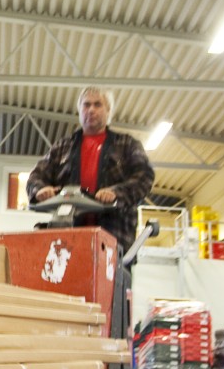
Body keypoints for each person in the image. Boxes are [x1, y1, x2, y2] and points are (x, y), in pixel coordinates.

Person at [26, 85, 156, 254]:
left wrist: (116, 193)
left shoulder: (127, 145)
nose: (91, 110)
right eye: (86, 105)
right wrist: (39, 190)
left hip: (114, 237)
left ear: (108, 111)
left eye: (97, 104)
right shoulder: (62, 147)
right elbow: (35, 177)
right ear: (80, 110)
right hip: (67, 237)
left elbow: (144, 176)